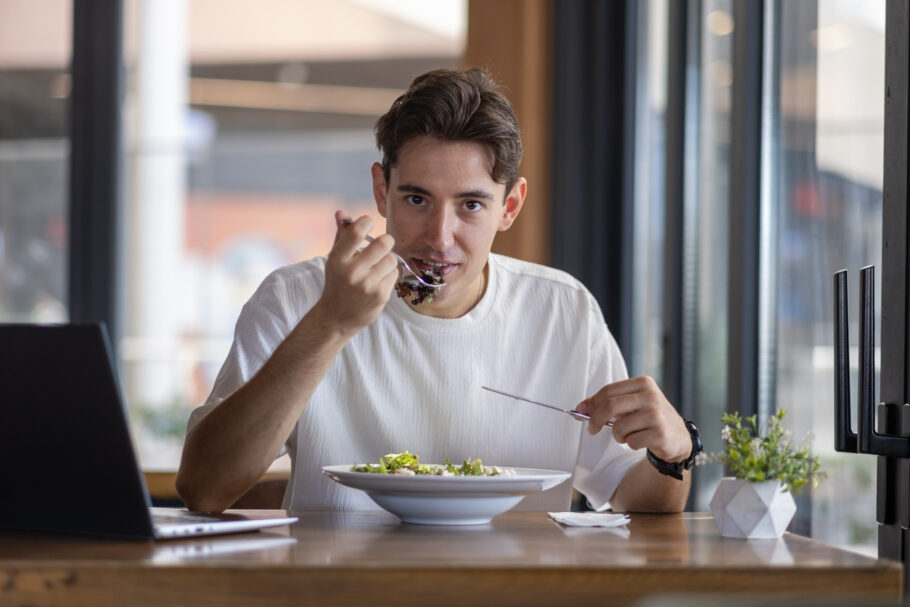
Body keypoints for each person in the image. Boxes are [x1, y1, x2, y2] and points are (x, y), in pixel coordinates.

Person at [176, 67, 700, 514]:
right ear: (382, 191)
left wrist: (674, 452)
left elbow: (641, 499)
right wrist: (330, 323)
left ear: (509, 207)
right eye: (417, 199)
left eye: (471, 205)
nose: (439, 237)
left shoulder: (562, 309)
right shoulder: (296, 297)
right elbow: (203, 488)